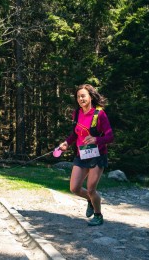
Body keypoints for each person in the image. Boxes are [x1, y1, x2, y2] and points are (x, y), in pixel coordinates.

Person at [58, 84, 114, 226]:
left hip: (97, 155)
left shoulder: (99, 114)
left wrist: (97, 139)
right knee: (74, 188)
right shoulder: (76, 113)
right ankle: (90, 200)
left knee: (91, 189)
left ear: (90, 97)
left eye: (83, 96)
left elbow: (110, 136)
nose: (80, 99)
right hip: (82, 155)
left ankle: (98, 215)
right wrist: (66, 143)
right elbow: (74, 134)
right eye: (78, 97)